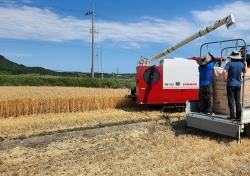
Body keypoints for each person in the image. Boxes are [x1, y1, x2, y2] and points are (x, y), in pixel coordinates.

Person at [222, 50, 247, 121]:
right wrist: (245, 64)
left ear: (232, 57)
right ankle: (238, 117)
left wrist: (225, 79)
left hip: (230, 84)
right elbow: (245, 71)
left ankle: (232, 115)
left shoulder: (229, 64)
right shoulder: (241, 64)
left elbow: (223, 71)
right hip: (238, 85)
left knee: (231, 101)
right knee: (238, 101)